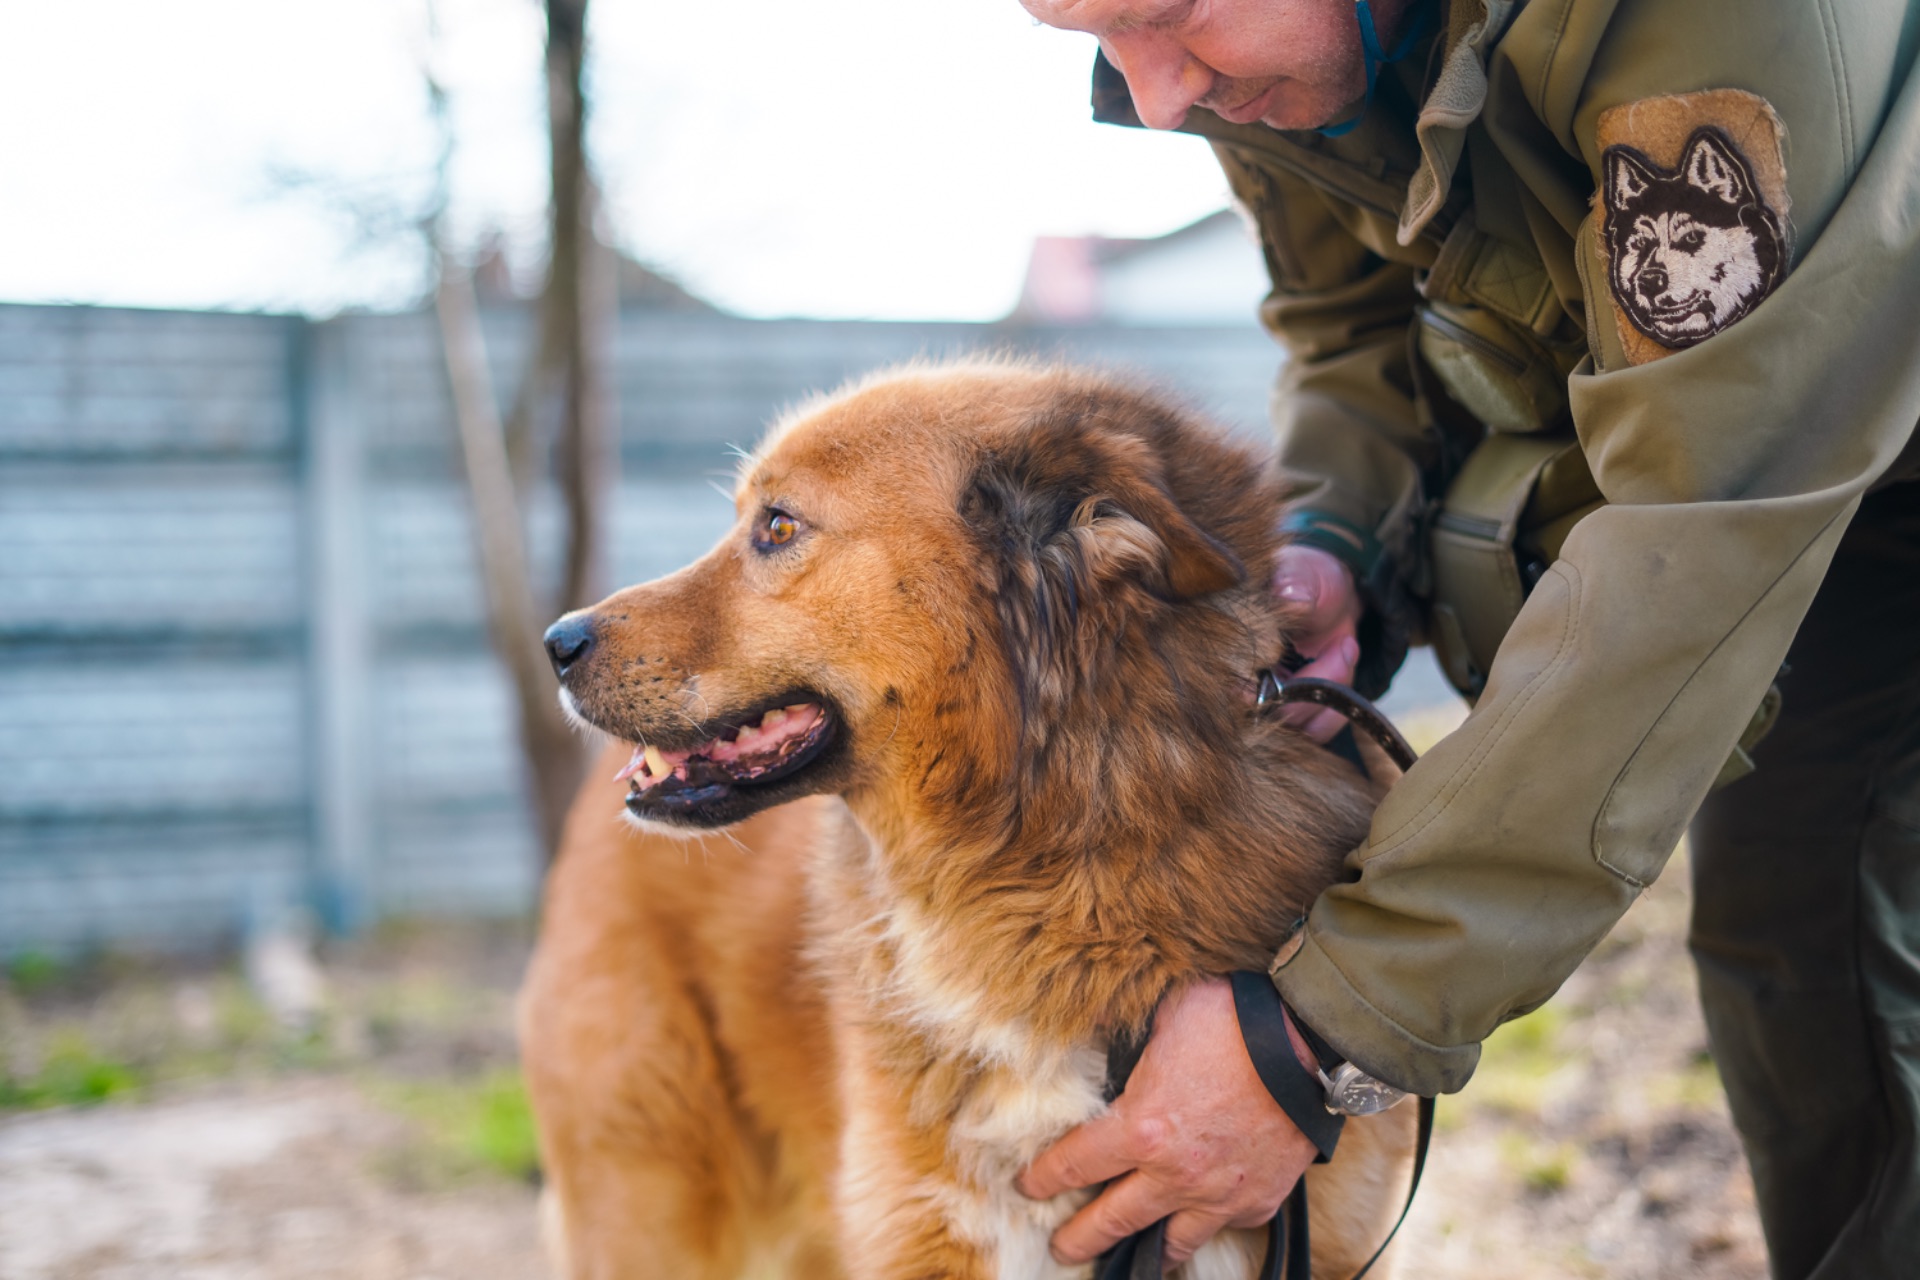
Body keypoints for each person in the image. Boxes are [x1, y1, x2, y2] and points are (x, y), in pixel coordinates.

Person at [1012, 1, 1920, 1275]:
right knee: (1804, 964)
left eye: (1167, 11)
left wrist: (1314, 1033)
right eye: (1096, 36)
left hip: (1808, 450)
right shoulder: (1297, 51)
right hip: (1799, 458)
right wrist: (1334, 537)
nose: (1152, 97)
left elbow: (1696, 533)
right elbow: (1353, 320)